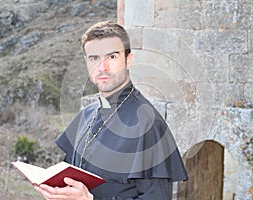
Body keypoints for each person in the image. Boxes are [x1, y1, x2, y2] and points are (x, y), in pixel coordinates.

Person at [34, 21, 188, 200]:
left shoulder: (148, 124)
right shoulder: (86, 114)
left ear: (128, 59)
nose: (102, 67)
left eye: (112, 57)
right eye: (94, 58)